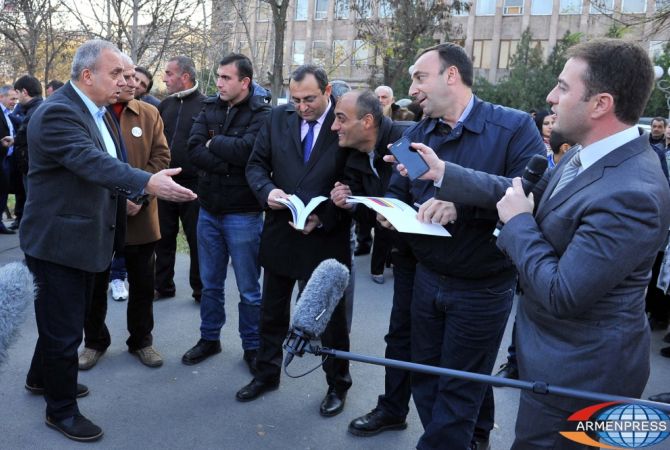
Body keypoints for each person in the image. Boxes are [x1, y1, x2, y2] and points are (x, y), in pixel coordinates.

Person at [397, 38, 670, 449]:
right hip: (552, 363)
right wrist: (444, 173)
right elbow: (521, 192)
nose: (550, 98)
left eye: (563, 87)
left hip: (580, 378)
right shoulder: (584, 155)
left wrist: (520, 223)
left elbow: (563, 293)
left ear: (601, 104)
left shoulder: (633, 191)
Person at [20, 39, 196, 442]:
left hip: (86, 237)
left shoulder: (98, 111)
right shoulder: (58, 112)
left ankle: (41, 378)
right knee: (64, 329)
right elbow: (92, 162)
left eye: (126, 73)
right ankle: (61, 411)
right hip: (58, 242)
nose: (125, 80)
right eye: (116, 73)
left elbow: (110, 163)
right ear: (87, 75)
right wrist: (147, 182)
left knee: (59, 319)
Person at [381, 43, 544, 450]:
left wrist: (459, 201)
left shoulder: (514, 127)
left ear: (451, 75)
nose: (412, 89)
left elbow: (530, 192)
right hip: (426, 276)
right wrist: (389, 211)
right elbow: (398, 190)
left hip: (483, 284)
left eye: (420, 77)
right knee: (428, 376)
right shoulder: (417, 133)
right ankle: (476, 438)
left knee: (459, 386)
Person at [239, 65, 353, 417]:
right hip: (281, 231)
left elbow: (354, 182)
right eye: (295, 99)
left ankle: (337, 384)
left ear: (327, 91)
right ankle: (266, 373)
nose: (301, 107)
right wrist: (268, 191)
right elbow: (255, 166)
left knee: (329, 320)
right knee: (272, 311)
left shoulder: (344, 123)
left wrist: (325, 217)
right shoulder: (277, 118)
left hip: (325, 238)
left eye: (309, 99)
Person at [328, 90, 415, 436]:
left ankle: (477, 431)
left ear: (367, 121)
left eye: (340, 119)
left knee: (453, 352)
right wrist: (350, 203)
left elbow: (433, 194)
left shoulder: (409, 143)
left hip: (442, 261)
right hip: (405, 259)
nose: (334, 127)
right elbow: (368, 211)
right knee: (400, 338)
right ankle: (393, 410)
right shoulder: (353, 156)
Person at [79, 55, 171, 371]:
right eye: (125, 76)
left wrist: (139, 195)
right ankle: (94, 342)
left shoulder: (149, 113)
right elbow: (87, 165)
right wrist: (118, 199)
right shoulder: (92, 114)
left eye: (135, 77)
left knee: (143, 284)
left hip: (141, 214)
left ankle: (141, 341)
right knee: (95, 285)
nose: (132, 83)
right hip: (101, 215)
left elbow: (161, 157)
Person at [182, 53, 271, 372]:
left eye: (225, 78)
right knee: (210, 284)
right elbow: (193, 150)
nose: (218, 83)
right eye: (218, 76)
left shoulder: (262, 113)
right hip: (208, 210)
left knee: (249, 288)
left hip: (243, 214)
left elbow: (249, 152)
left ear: (245, 82)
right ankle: (209, 338)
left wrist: (214, 143)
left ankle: (252, 346)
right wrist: (227, 164)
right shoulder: (210, 107)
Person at [155, 56, 205, 301]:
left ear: (185, 77)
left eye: (169, 73)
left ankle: (201, 289)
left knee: (196, 239)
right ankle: (162, 285)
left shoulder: (207, 105)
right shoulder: (164, 106)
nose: (164, 78)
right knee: (163, 237)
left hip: (194, 186)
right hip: (165, 183)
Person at [6, 75, 43, 231]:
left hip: (32, 167)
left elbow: (28, 136)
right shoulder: (37, 109)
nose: (16, 98)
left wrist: (16, 140)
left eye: (17, 94)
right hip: (32, 166)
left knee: (35, 207)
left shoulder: (36, 111)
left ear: (25, 92)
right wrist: (15, 140)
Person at [0, 85, 17, 234]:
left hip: (7, 158)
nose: (14, 102)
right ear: (1, 97)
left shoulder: (8, 114)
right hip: (1, 157)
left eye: (16, 99)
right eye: (12, 99)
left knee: (3, 190)